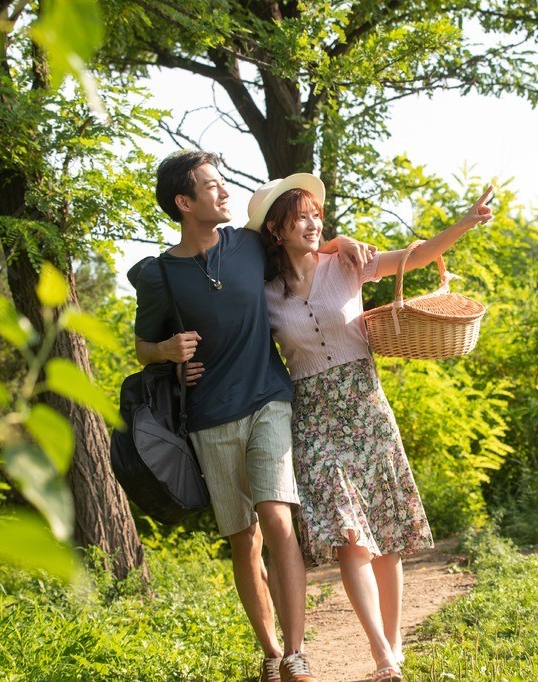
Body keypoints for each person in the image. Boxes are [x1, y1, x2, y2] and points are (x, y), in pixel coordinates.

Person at [127, 151, 373, 682]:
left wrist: (340, 243)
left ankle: (295, 653)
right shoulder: (160, 275)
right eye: (211, 186)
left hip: (269, 399)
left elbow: (298, 243)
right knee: (245, 538)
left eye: (222, 183)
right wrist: (168, 351)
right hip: (209, 416)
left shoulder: (248, 245)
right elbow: (143, 346)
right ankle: (268, 651)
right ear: (184, 202)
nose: (224, 192)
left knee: (278, 519)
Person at [248, 173, 493, 682]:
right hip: (313, 417)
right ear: (276, 230)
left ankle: (394, 644)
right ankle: (382, 653)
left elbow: (416, 256)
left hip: (366, 407)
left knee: (383, 530)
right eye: (301, 217)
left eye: (317, 215)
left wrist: (465, 223)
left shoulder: (347, 263)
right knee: (348, 536)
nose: (314, 223)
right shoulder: (264, 293)